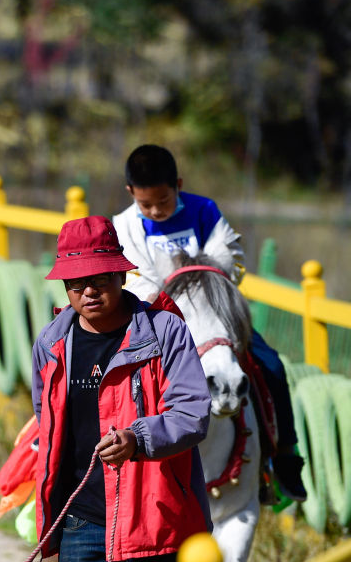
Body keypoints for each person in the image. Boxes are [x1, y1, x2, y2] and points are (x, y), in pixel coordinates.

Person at [32, 215, 212, 562]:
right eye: (76, 282)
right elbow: (45, 424)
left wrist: (138, 438)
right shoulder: (52, 342)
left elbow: (194, 412)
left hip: (159, 517)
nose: (88, 291)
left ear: (121, 276)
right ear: (64, 287)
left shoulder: (165, 331)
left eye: (99, 278)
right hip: (84, 520)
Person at [111, 144, 307, 502]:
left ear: (179, 185)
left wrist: (188, 278)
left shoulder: (205, 210)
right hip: (155, 320)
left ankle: (284, 454)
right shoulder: (123, 225)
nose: (156, 210)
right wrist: (179, 282)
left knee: (272, 365)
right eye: (146, 205)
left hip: (213, 315)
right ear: (130, 194)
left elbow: (228, 259)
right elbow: (136, 280)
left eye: (164, 202)